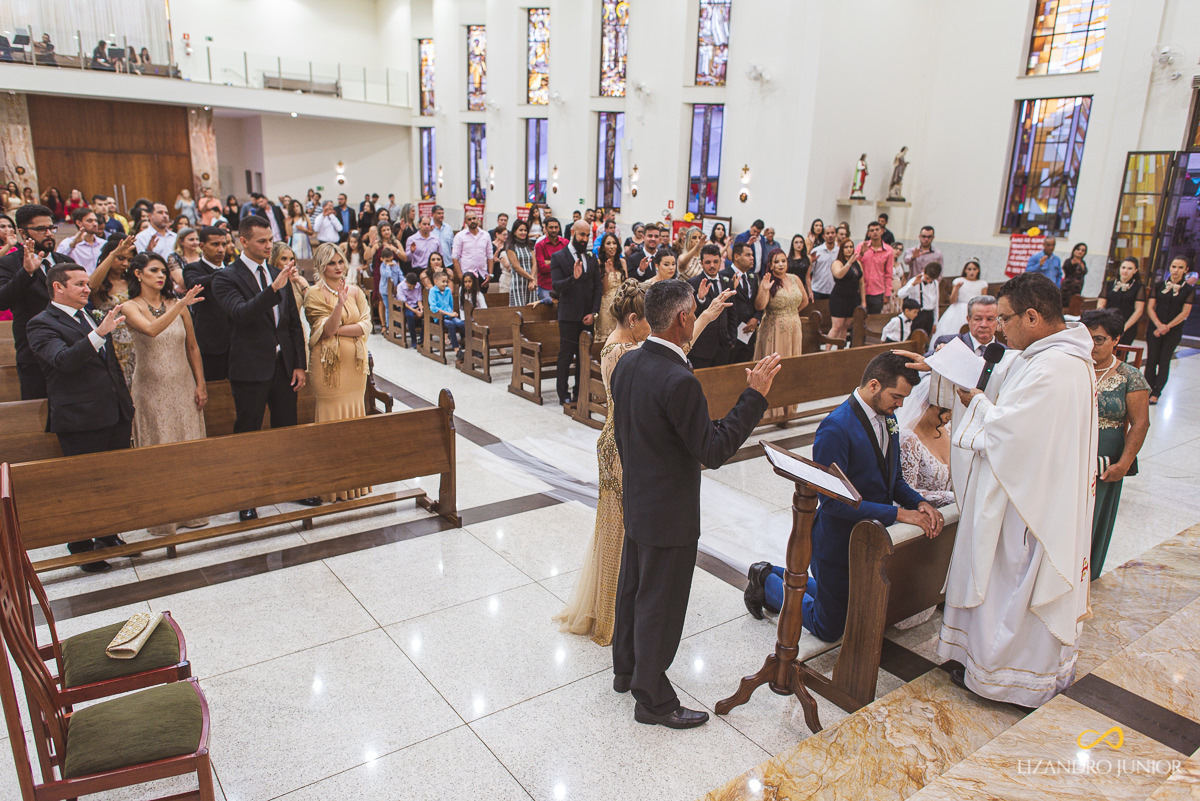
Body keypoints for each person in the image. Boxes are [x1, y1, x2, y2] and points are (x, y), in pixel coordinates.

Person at [611, 279, 780, 728]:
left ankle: (626, 670)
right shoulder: (678, 379)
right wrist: (755, 397)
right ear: (684, 318)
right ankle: (653, 699)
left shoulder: (628, 364)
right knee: (660, 606)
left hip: (639, 500)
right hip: (670, 513)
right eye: (696, 310)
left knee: (633, 590)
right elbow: (713, 450)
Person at [934, 272, 1096, 708]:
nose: (1000, 328)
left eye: (1005, 319)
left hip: (1029, 503)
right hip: (1031, 487)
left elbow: (1011, 432)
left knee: (1010, 582)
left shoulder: (1056, 367)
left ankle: (1006, 676)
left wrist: (977, 405)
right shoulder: (1052, 355)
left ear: (1032, 316)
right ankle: (981, 661)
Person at [557, 279, 733, 645]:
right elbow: (667, 350)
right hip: (623, 443)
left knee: (624, 527)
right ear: (634, 320)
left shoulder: (631, 347)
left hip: (626, 436)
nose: (651, 328)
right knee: (620, 529)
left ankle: (625, 607)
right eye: (646, 323)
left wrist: (707, 316)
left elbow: (670, 345)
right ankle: (613, 612)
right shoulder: (620, 353)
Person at [744, 354, 942, 628]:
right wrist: (899, 514)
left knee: (851, 607)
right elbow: (833, 504)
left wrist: (919, 503)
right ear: (874, 385)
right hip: (837, 541)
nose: (901, 405)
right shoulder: (836, 427)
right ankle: (765, 580)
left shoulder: (888, 419)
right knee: (829, 626)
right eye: (897, 396)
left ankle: (782, 577)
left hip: (869, 535)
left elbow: (893, 480)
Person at [26, 263, 135, 570]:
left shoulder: (88, 315)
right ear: (58, 287)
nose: (88, 289)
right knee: (83, 484)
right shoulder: (41, 323)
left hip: (113, 411)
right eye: (79, 284)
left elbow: (109, 365)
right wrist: (99, 334)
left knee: (111, 480)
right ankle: (81, 545)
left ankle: (107, 534)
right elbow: (63, 361)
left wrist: (125, 403)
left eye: (88, 283)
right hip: (80, 416)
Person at [211, 216, 317, 521]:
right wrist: (272, 289)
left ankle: (293, 486)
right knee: (249, 432)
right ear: (243, 242)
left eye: (270, 240)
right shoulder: (226, 277)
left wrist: (299, 364)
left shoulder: (274, 271)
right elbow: (241, 314)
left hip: (283, 365)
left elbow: (292, 322)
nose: (268, 246)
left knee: (287, 428)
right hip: (249, 367)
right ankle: (246, 495)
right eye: (261, 241)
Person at [121, 253, 209, 534]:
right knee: (159, 445)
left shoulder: (177, 304)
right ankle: (163, 517)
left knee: (188, 444)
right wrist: (182, 303)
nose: (161, 276)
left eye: (164, 271)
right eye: (154, 270)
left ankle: (192, 512)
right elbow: (152, 330)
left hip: (182, 384)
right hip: (150, 388)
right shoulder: (129, 306)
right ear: (138, 274)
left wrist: (201, 383)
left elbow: (193, 347)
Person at [1082, 309, 1150, 579]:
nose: (1092, 346)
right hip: (1071, 453)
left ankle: (1087, 571)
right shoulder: (1074, 369)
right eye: (1087, 339)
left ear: (1116, 339)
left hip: (1107, 459)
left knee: (1096, 514)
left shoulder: (1130, 376)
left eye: (1099, 340)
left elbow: (1140, 423)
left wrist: (1124, 463)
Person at [304, 243, 373, 502]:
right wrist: (339, 306)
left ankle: (355, 483)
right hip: (328, 370)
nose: (338, 267)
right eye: (332, 263)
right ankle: (331, 486)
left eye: (340, 262)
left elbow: (366, 325)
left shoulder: (356, 291)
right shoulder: (313, 294)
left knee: (354, 419)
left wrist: (340, 329)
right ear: (321, 266)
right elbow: (324, 328)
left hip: (354, 369)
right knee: (332, 421)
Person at [0, 204, 74, 399]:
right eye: (41, 229)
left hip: (70, 350)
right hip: (34, 355)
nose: (49, 234)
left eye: (51, 228)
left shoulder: (65, 262)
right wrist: (26, 273)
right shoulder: (9, 263)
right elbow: (2, 301)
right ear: (23, 233)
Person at [551, 221, 603, 405]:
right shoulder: (559, 257)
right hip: (568, 316)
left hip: (588, 316)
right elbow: (556, 286)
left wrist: (594, 313)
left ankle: (580, 391)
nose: (585, 239)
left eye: (588, 235)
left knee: (584, 356)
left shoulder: (590, 257)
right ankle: (563, 393)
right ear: (573, 232)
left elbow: (598, 287)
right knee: (566, 355)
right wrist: (573, 278)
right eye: (582, 235)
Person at [754, 248, 808, 421]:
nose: (780, 265)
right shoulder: (768, 281)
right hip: (774, 329)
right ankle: (772, 411)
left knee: (792, 368)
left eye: (783, 261)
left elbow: (805, 301)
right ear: (770, 264)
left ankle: (788, 409)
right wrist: (764, 289)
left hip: (794, 328)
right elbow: (760, 306)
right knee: (774, 369)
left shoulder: (795, 278)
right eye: (776, 262)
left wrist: (790, 314)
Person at [183, 226, 232, 381]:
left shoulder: (232, 269)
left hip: (235, 343)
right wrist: (225, 274)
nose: (221, 249)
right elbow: (195, 285)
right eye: (215, 244)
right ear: (202, 246)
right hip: (210, 343)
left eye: (224, 245)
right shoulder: (193, 269)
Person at [1143, 256, 1194, 405]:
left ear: (1186, 270)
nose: (1176, 270)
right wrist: (1159, 325)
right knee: (1151, 360)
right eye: (1173, 266)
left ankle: (1157, 392)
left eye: (1180, 267)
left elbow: (1185, 312)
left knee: (1164, 361)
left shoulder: (1188, 290)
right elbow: (1150, 307)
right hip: (1154, 328)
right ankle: (1147, 389)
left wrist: (1167, 327)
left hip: (1173, 330)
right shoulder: (1159, 286)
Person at [89, 234, 138, 386]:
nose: (125, 264)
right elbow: (90, 286)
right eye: (121, 258)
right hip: (112, 341)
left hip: (135, 337)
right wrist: (113, 254)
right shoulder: (101, 285)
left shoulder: (132, 282)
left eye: (129, 260)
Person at [1096, 258, 1145, 346]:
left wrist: (1124, 327)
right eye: (1123, 268)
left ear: (1135, 271)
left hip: (1127, 325)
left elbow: (1139, 310)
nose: (1125, 271)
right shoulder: (1109, 284)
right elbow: (1100, 305)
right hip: (1108, 325)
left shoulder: (1138, 287)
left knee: (1121, 353)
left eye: (1129, 269)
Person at [935, 259, 988, 340]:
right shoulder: (958, 281)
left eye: (974, 269)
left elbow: (984, 301)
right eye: (969, 269)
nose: (972, 272)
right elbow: (953, 301)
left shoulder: (982, 283)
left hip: (975, 309)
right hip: (958, 309)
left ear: (978, 270)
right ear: (965, 270)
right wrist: (956, 288)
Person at [828, 238, 866, 345]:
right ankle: (826, 350)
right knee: (836, 327)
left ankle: (841, 350)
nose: (849, 249)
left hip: (853, 298)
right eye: (846, 247)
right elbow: (839, 275)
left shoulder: (857, 263)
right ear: (841, 249)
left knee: (845, 326)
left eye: (851, 247)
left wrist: (863, 301)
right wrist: (849, 263)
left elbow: (862, 283)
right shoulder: (837, 262)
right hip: (839, 298)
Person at [595, 233, 628, 340]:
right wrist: (607, 273)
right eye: (608, 243)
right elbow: (603, 291)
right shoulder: (599, 262)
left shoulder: (622, 262)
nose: (612, 246)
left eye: (614, 243)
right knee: (606, 338)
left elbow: (626, 286)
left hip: (621, 306)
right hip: (606, 306)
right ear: (603, 247)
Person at [857, 221, 894, 314]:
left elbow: (889, 273)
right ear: (868, 234)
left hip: (877, 291)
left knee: (873, 320)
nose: (875, 232)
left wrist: (887, 293)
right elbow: (853, 263)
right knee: (858, 318)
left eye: (877, 230)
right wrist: (861, 253)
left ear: (881, 231)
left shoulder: (889, 250)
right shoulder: (862, 246)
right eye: (872, 230)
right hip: (860, 289)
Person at [897, 261, 942, 336]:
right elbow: (900, 294)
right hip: (918, 314)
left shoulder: (935, 283)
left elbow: (936, 303)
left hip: (930, 315)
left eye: (931, 280)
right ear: (923, 271)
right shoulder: (914, 281)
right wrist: (913, 284)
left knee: (926, 339)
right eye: (927, 278)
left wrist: (935, 322)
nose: (928, 281)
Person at [55, 207, 104, 274]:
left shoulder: (103, 243)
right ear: (79, 223)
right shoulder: (68, 243)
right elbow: (58, 260)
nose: (95, 224)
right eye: (90, 221)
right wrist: (73, 244)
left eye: (95, 221)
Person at [501, 219, 537, 307]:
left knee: (532, 307)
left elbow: (534, 263)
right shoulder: (511, 247)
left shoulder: (530, 245)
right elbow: (516, 267)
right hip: (518, 282)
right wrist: (531, 278)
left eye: (525, 230)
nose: (523, 232)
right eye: (520, 230)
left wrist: (532, 280)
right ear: (514, 231)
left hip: (530, 283)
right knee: (519, 308)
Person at [452, 211, 492, 285]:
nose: (472, 221)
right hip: (467, 275)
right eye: (469, 219)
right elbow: (455, 258)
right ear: (465, 221)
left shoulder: (486, 235)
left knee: (482, 296)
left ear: (477, 219)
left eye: (474, 218)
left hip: (482, 274)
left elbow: (490, 256)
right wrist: (461, 276)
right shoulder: (460, 236)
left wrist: (490, 274)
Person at [428, 271, 464, 356]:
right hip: (439, 318)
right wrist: (448, 314)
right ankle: (456, 349)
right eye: (443, 281)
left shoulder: (448, 290)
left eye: (446, 282)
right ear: (436, 281)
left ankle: (467, 343)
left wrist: (451, 313)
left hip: (449, 315)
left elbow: (450, 304)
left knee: (461, 323)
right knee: (451, 324)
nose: (445, 284)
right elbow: (433, 308)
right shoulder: (433, 291)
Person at [534, 217, 566, 303]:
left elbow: (568, 265)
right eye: (551, 227)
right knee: (546, 314)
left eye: (556, 227)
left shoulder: (565, 243)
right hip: (546, 285)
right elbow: (542, 268)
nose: (554, 230)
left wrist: (549, 262)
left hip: (562, 285)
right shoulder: (540, 245)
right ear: (546, 228)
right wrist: (559, 263)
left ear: (559, 228)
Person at [376, 248, 404, 331]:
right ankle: (389, 325)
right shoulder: (383, 266)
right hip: (385, 290)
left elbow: (400, 274)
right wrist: (388, 265)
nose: (390, 261)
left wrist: (403, 283)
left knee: (396, 307)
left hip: (394, 290)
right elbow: (387, 275)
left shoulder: (395, 264)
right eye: (387, 260)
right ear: (382, 259)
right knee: (388, 307)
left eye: (391, 259)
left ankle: (398, 325)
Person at [809, 225, 839, 301]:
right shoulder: (816, 251)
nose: (830, 235)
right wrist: (810, 261)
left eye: (832, 233)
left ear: (836, 234)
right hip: (817, 289)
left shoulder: (839, 252)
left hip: (834, 290)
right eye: (828, 233)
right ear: (823, 236)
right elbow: (810, 271)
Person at [399, 272, 424, 348]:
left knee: (426, 316)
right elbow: (405, 303)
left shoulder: (418, 285)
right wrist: (415, 311)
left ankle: (422, 339)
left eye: (413, 286)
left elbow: (419, 300)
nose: (412, 288)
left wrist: (421, 309)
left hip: (415, 304)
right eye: (410, 286)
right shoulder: (400, 286)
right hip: (406, 306)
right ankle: (413, 340)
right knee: (410, 316)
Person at [1061, 243, 1088, 308]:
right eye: (1078, 249)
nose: (1080, 252)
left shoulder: (1083, 262)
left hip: (1078, 289)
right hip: (1067, 290)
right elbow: (1067, 269)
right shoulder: (1069, 261)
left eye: (1083, 250)